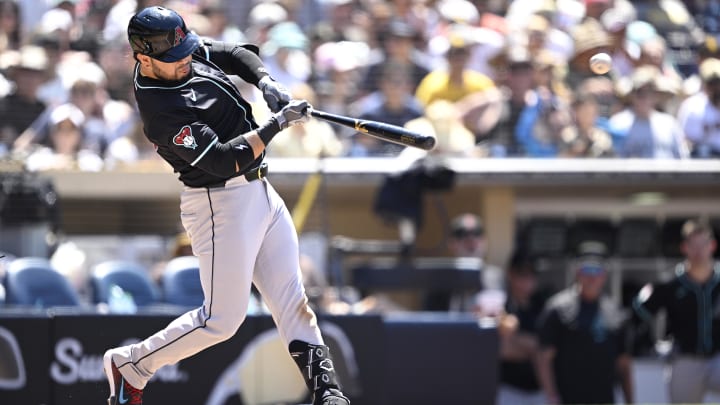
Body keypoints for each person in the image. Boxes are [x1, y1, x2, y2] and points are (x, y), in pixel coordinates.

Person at [102, 6, 350, 405]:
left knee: (292, 298)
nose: (185, 61)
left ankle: (329, 393)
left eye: (185, 52)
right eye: (172, 58)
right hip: (219, 203)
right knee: (221, 321)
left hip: (260, 191)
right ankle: (131, 364)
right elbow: (223, 159)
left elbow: (236, 55)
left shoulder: (179, 53)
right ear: (143, 57)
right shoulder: (161, 111)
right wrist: (277, 124)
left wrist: (266, 82)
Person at [632, 218, 720, 403]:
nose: (698, 251)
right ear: (684, 248)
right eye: (692, 245)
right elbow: (640, 313)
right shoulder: (670, 284)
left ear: (712, 246)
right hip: (685, 359)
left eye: (702, 244)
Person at [536, 242, 634, 404]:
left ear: (605, 274)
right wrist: (552, 397)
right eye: (587, 269)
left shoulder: (616, 313)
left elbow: (624, 365)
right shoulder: (557, 308)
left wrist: (630, 401)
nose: (592, 277)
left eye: (597, 270)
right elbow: (543, 358)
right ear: (577, 272)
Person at [495, 250, 549, 405]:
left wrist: (516, 340)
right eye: (522, 274)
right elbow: (501, 350)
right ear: (510, 274)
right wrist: (532, 349)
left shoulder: (543, 307)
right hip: (508, 390)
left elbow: (545, 349)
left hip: (539, 391)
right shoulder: (500, 304)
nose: (527, 280)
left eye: (532, 274)